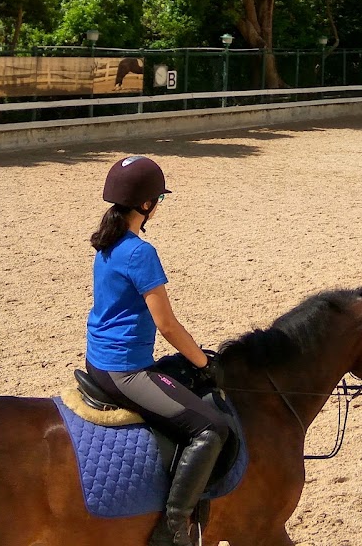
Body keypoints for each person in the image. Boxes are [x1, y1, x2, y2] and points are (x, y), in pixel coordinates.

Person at [85, 155, 230, 546]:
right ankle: (175, 526)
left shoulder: (109, 242)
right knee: (211, 428)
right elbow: (167, 325)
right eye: (159, 201)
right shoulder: (140, 252)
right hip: (125, 372)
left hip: (97, 360)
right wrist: (203, 361)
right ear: (147, 205)